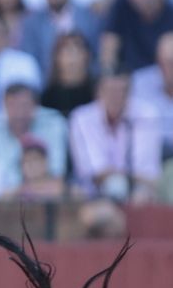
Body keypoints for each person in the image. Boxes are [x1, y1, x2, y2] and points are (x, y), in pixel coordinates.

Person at [69, 65, 160, 200]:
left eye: (121, 91)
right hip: (92, 194)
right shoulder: (81, 117)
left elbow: (146, 172)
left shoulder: (147, 114)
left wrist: (117, 175)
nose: (116, 97)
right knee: (77, 193)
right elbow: (93, 171)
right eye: (110, 91)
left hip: (135, 191)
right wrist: (122, 175)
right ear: (98, 92)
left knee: (142, 195)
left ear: (129, 93)